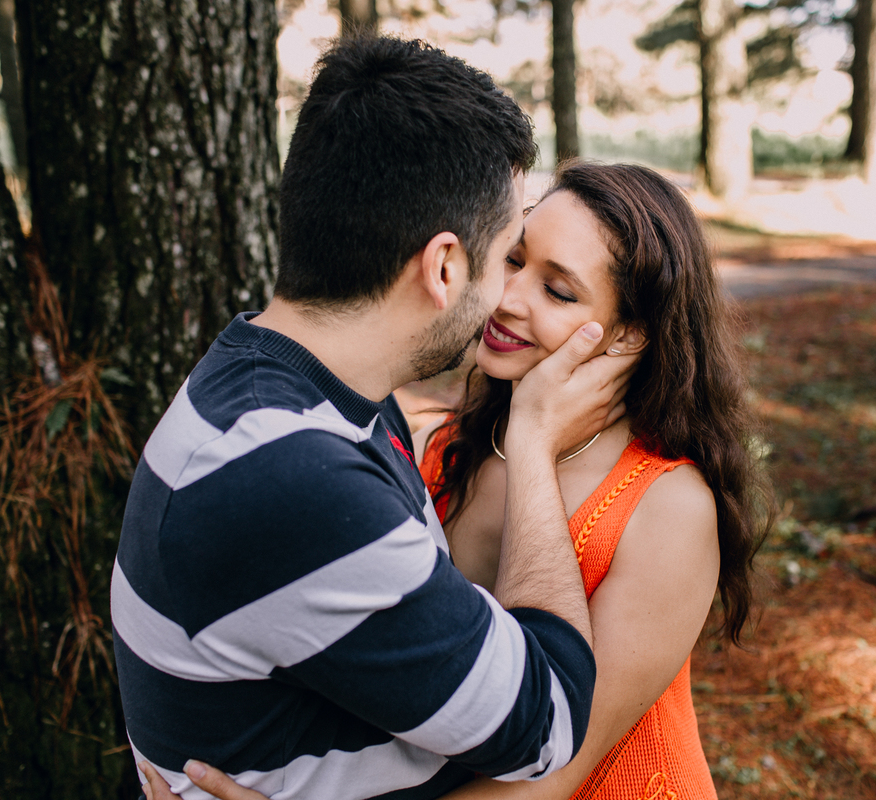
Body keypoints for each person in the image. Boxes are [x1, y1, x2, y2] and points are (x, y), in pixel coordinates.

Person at [140, 162, 772, 800]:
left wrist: (533, 440)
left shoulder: (667, 505)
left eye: (559, 291)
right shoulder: (448, 446)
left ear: (627, 338)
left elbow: (554, 771)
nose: (508, 297)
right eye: (514, 259)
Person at [113, 37, 638, 800]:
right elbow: (547, 722)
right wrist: (531, 443)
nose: (508, 295)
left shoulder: (290, 388)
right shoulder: (296, 478)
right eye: (506, 257)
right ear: (445, 267)